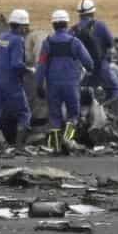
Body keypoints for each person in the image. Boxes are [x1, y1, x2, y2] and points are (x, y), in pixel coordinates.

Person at [36, 9, 96, 152]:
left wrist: (39, 85)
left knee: (54, 118)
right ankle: (68, 139)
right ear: (67, 24)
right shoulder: (74, 43)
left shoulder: (47, 43)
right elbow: (89, 63)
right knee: (73, 115)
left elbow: (41, 66)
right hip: (71, 86)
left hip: (53, 87)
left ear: (53, 25)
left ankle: (55, 147)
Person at [0, 9, 33, 147]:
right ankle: (19, 146)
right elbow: (16, 64)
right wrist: (29, 70)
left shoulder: (2, 37)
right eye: (26, 26)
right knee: (24, 113)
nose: (27, 29)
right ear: (20, 26)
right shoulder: (17, 40)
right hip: (12, 84)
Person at [74, 0, 118, 104]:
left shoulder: (74, 30)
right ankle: (111, 111)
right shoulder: (100, 25)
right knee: (116, 89)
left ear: (79, 13)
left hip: (82, 71)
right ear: (93, 12)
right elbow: (110, 43)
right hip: (101, 67)